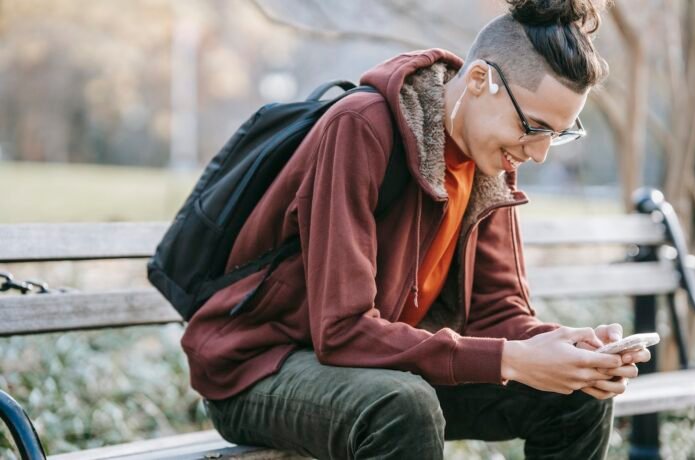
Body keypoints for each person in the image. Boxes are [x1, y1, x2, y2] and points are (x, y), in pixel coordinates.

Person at [181, 0, 652, 458]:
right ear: (479, 80)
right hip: (263, 367)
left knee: (578, 395)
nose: (540, 152)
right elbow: (342, 331)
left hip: (387, 367)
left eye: (558, 133)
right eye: (534, 126)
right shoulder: (361, 129)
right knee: (404, 407)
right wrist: (510, 358)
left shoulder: (490, 156)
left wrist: (572, 351)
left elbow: (496, 312)